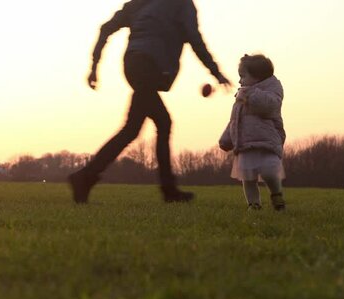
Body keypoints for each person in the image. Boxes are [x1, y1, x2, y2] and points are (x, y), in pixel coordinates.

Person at [68, 0, 232, 204]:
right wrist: (216, 73)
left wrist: (94, 66)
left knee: (159, 124)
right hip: (151, 66)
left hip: (133, 63)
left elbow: (105, 29)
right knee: (134, 129)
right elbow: (194, 39)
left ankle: (167, 189)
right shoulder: (182, 4)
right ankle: (86, 177)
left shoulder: (139, 3)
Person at [219, 54, 286, 211]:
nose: (240, 81)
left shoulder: (272, 91)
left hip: (266, 143)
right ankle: (253, 204)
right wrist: (226, 138)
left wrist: (249, 94)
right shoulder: (242, 95)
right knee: (248, 178)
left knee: (270, 172)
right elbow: (236, 120)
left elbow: (269, 106)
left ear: (257, 77)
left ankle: (276, 194)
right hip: (245, 145)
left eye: (243, 76)